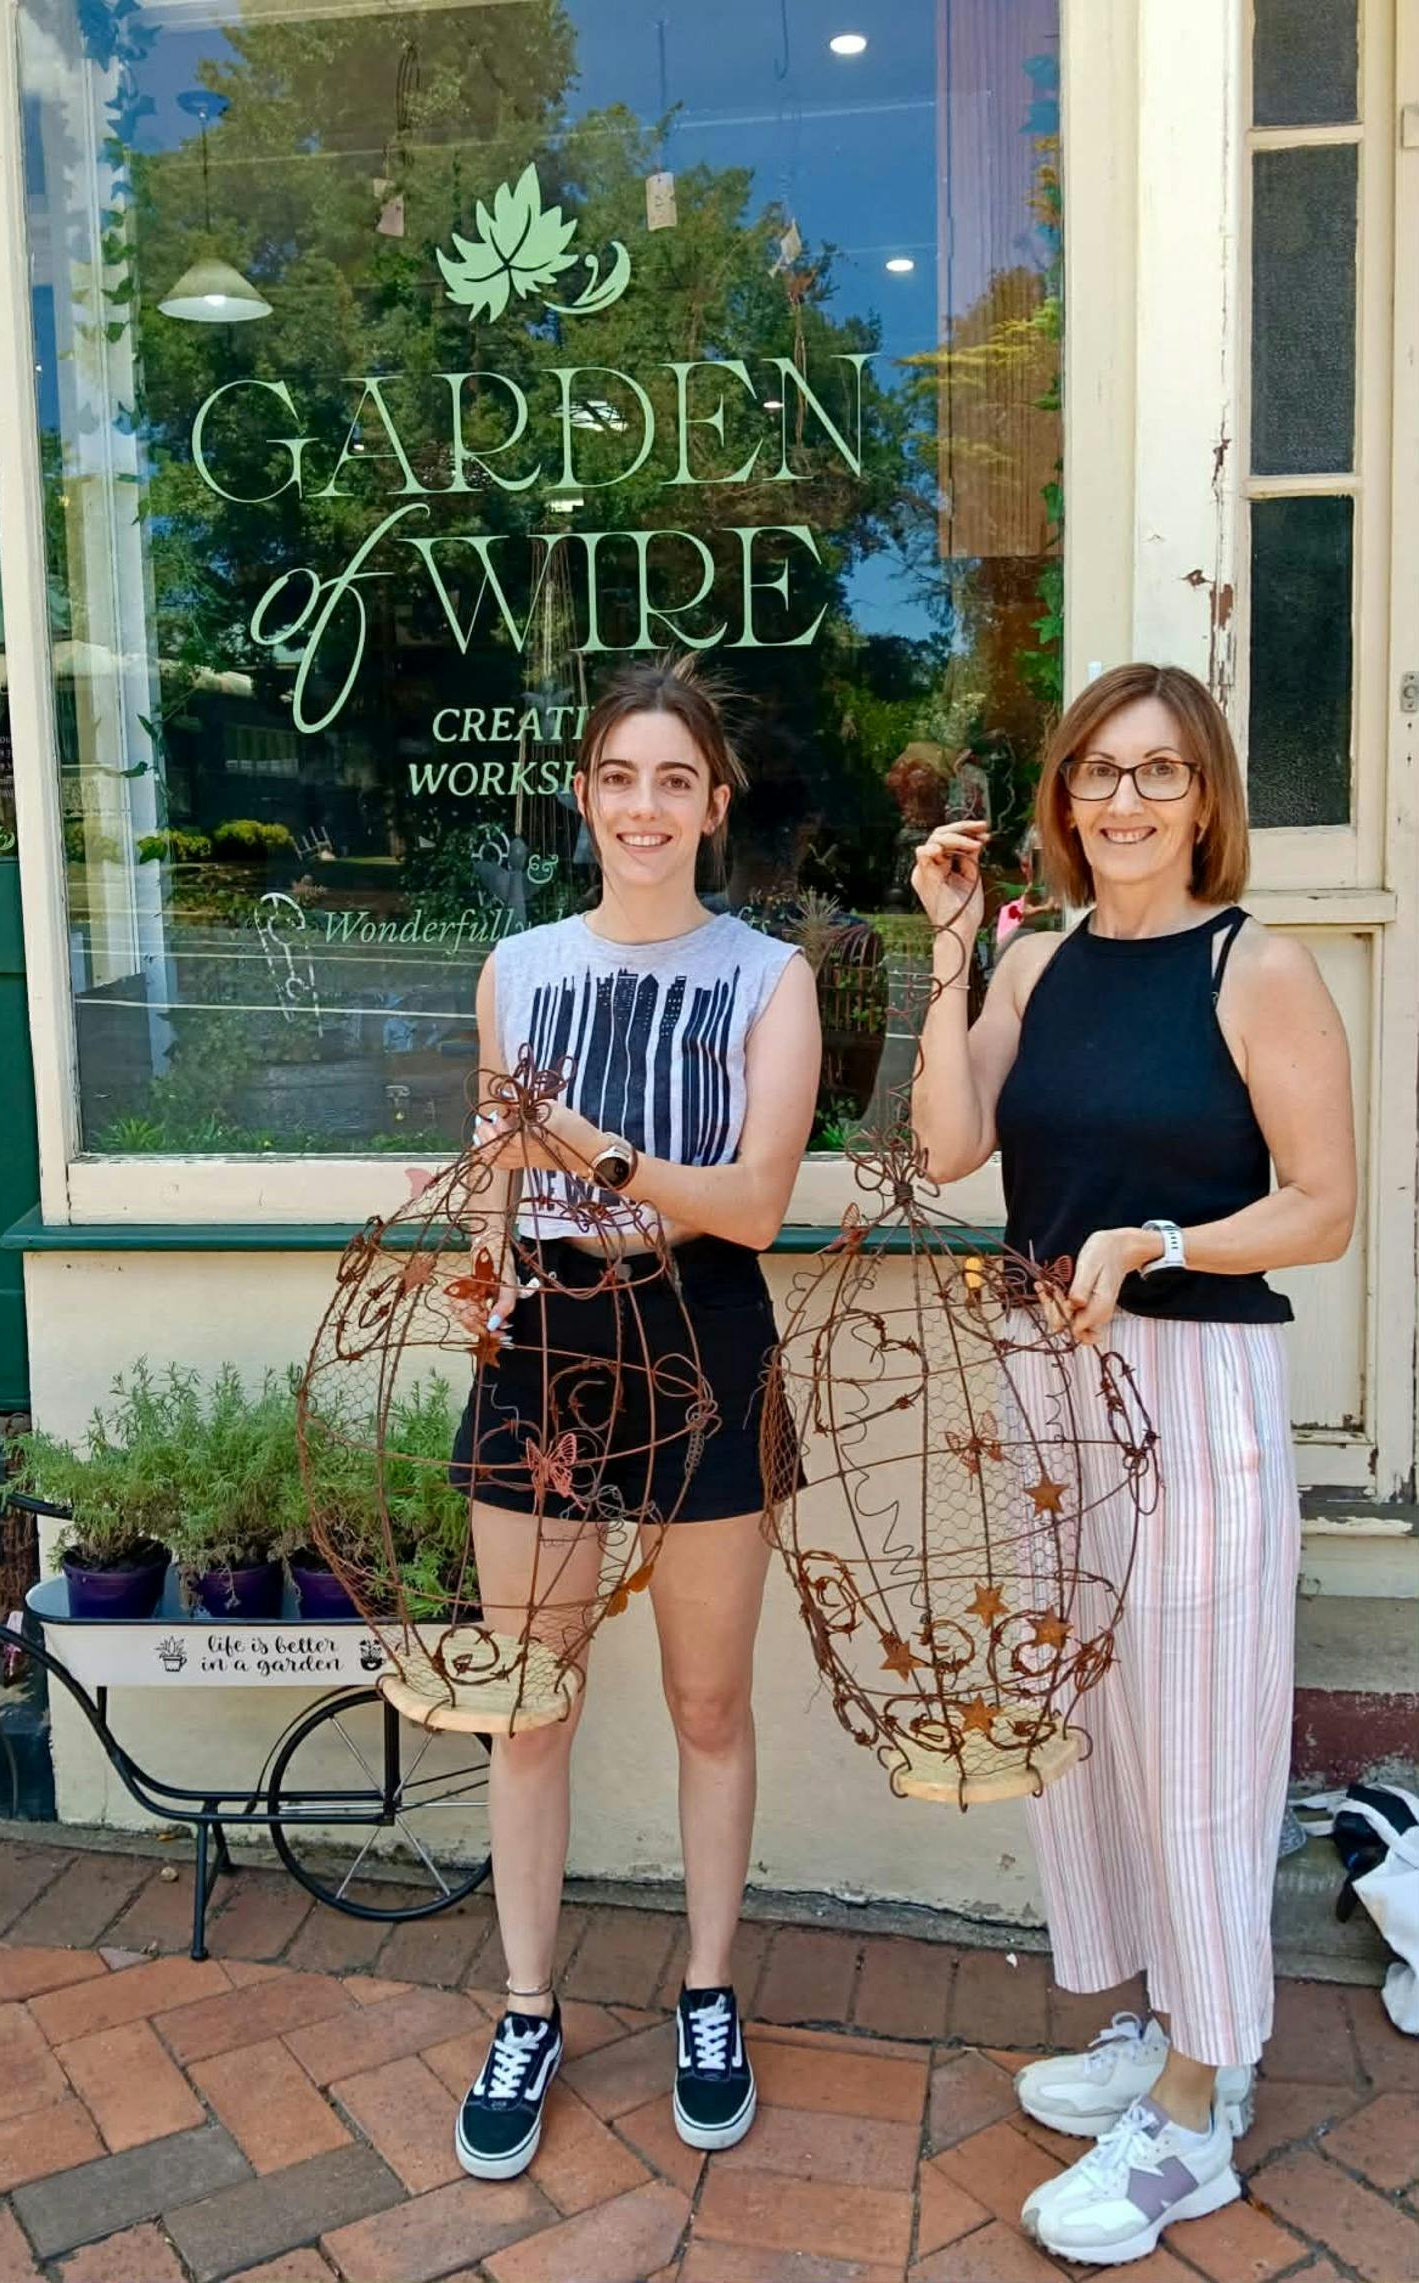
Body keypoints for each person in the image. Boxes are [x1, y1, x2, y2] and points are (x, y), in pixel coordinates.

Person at [910, 662, 1356, 2268]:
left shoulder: (1259, 967)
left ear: (1207, 795)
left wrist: (1160, 1237)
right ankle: (1166, 2019)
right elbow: (952, 1146)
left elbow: (1325, 1203)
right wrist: (956, 948)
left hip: (1198, 1379)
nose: (1124, 800)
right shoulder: (1040, 962)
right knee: (1091, 1720)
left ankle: (1198, 2104)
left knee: (1204, 1738)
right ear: (1063, 798)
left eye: (1158, 772)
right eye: (1099, 772)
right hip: (1053, 1375)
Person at [448, 655, 822, 2182]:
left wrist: (604, 1158)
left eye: (678, 780)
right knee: (527, 1703)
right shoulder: (516, 968)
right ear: (586, 797)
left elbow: (758, 1202)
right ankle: (528, 2007)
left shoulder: (770, 978)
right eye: (621, 778)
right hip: (541, 1340)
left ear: (714, 805)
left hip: (703, 1332)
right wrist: (482, 1273)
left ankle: (708, 1990)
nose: (646, 807)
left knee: (707, 1704)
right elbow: (487, 1162)